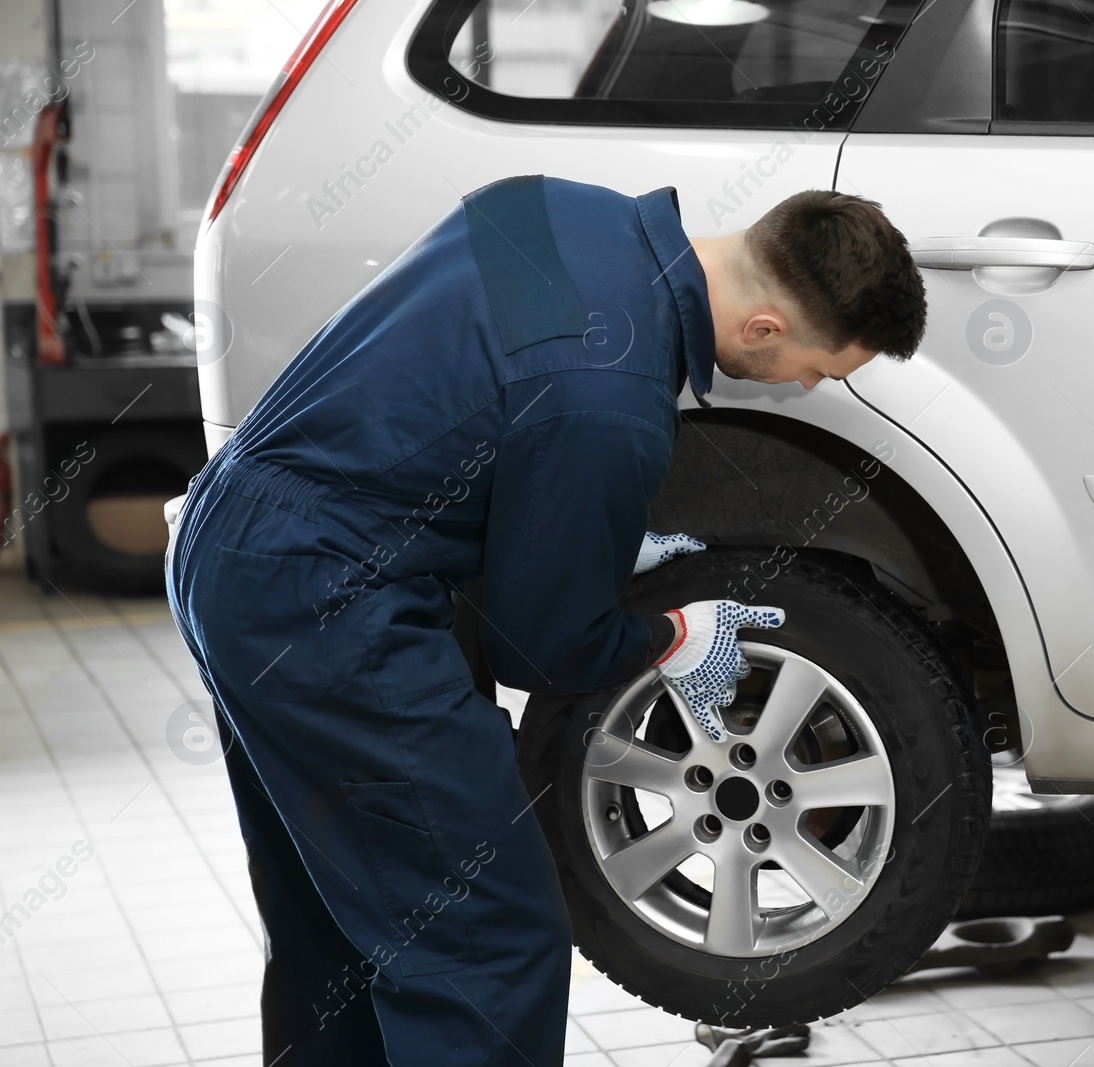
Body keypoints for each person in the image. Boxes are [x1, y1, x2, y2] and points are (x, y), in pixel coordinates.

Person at [165, 174, 927, 1065]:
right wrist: (675, 636)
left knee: (337, 924)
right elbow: (545, 646)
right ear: (764, 327)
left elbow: (473, 391)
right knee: (488, 939)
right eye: (815, 368)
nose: (801, 387)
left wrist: (580, 527)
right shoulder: (612, 406)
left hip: (236, 542)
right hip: (327, 599)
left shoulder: (551, 205)